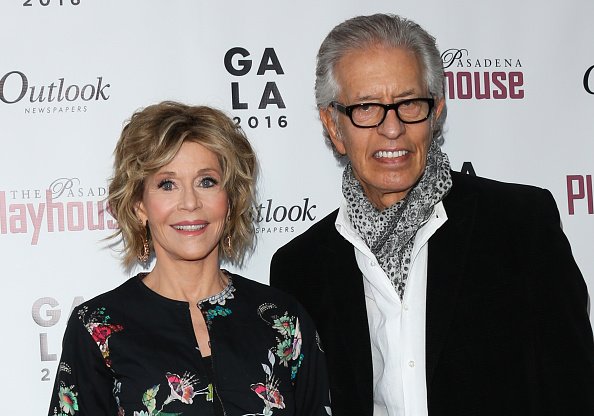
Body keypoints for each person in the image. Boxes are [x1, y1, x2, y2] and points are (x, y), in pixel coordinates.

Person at [270, 13, 594, 416]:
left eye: (409, 104)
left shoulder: (521, 226)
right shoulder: (300, 267)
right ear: (334, 126)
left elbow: (574, 390)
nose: (392, 129)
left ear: (436, 111)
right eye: (367, 107)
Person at [48, 101, 331, 416]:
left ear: (230, 198)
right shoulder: (97, 327)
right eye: (167, 184)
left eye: (206, 181)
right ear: (140, 205)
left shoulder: (282, 319)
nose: (190, 203)